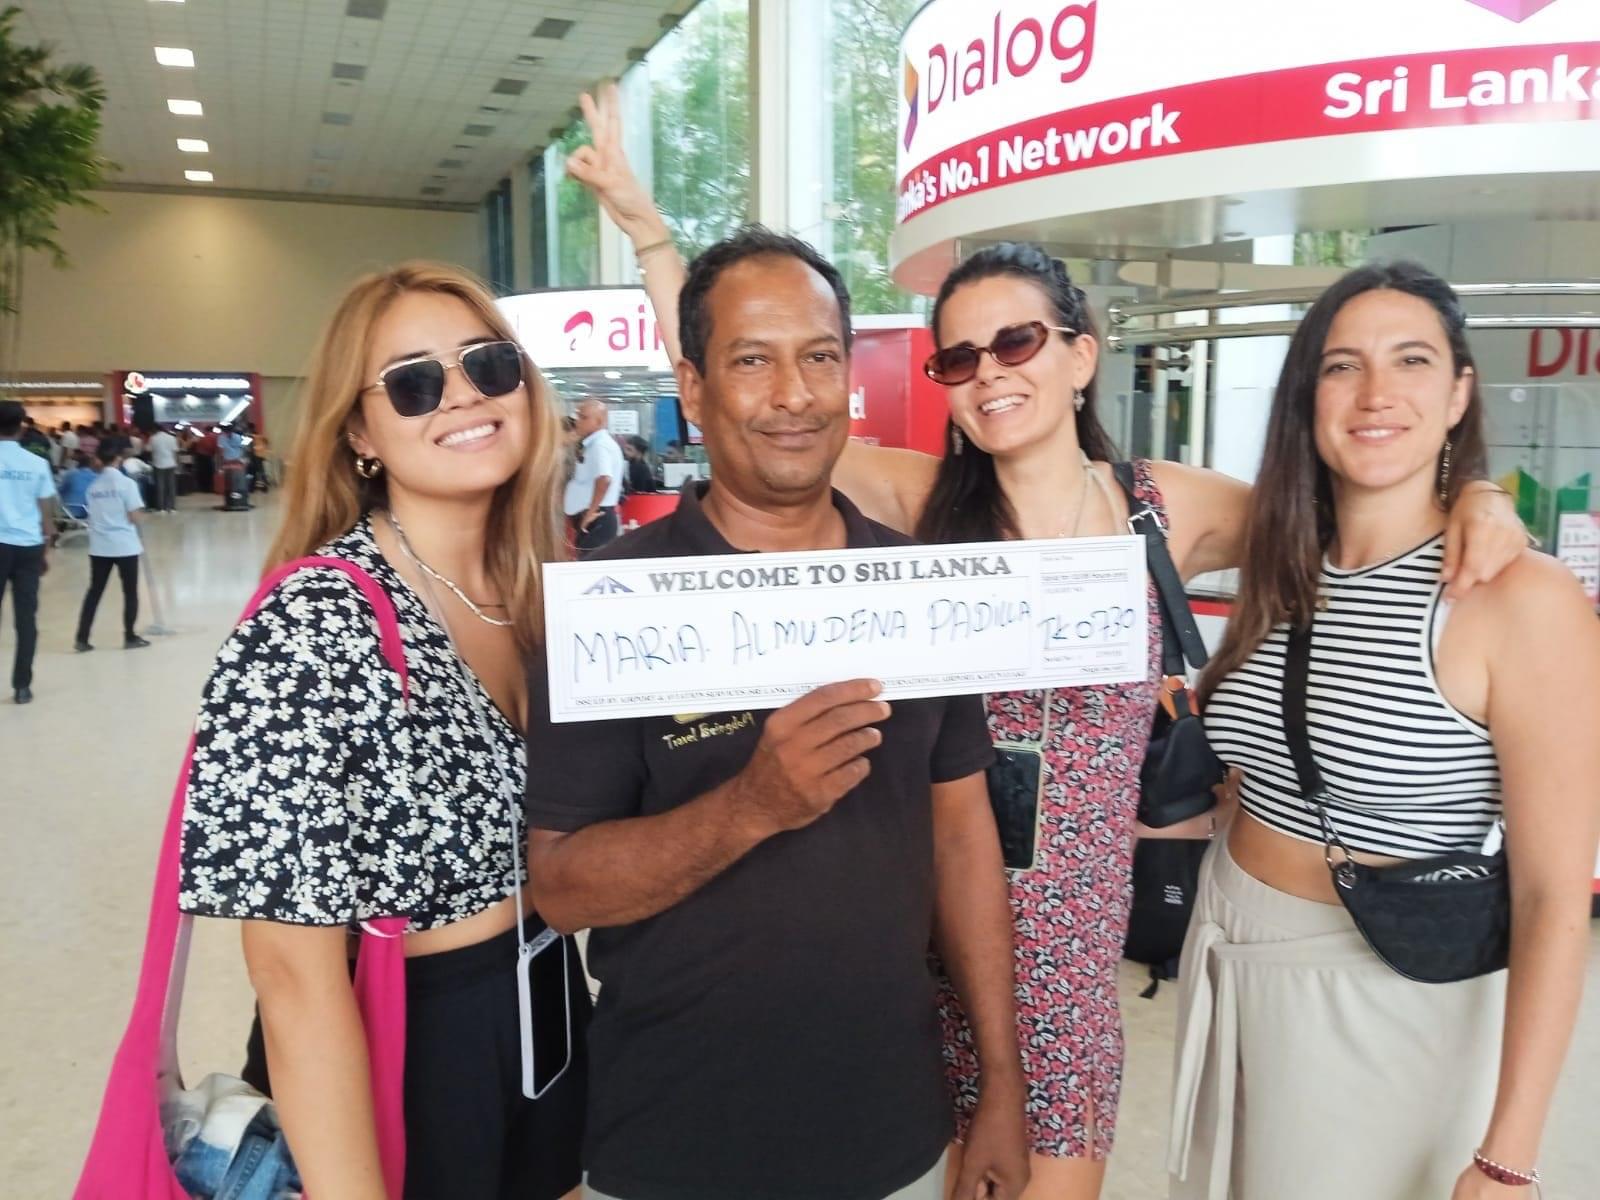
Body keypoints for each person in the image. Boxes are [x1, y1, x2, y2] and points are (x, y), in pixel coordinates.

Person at [564, 83, 1531, 1200]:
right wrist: (649, 236)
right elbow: (759, 395)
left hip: (1067, 965)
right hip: (912, 945)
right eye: (958, 359)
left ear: (1080, 352)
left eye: (1015, 340)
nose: (989, 373)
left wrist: (1478, 490)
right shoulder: (925, 504)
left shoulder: (1167, 508)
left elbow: (1358, 490)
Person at [524, 227, 1030, 1200]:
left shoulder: (918, 589)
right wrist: (750, 804)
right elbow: (561, 888)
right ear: (693, 387)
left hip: (894, 1135)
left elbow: (964, 841)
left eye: (818, 357)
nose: (792, 394)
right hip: (672, 1142)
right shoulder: (614, 603)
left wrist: (1000, 1082)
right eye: (752, 360)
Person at [1171, 262, 1600, 1200]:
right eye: (1341, 366)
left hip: (1381, 989)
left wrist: (1508, 1156)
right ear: (1306, 396)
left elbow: (1555, 898)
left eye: (1411, 361)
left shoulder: (1517, 600)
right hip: (1230, 942)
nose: (1375, 394)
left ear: (1459, 394)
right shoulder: (1281, 558)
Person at [177, 261, 587, 1200]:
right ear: (360, 431)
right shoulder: (316, 620)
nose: (462, 397)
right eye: (412, 382)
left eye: (487, 364)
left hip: (551, 1004)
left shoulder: (541, 591)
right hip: (408, 1038)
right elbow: (290, 972)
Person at [0, 400, 56, 703]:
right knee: (26, 618)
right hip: (28, 547)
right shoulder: (37, 464)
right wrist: (44, 552)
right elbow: (46, 516)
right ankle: (22, 686)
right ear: (21, 426)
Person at [74, 438, 151, 652]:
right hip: (125, 545)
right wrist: (140, 516)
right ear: (118, 458)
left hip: (99, 546)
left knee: (95, 591)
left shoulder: (94, 486)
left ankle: (82, 637)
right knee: (130, 592)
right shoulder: (127, 484)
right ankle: (130, 636)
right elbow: (135, 516)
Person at [562, 398, 623, 552]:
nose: (578, 421)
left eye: (584, 417)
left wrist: (591, 512)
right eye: (578, 416)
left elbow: (605, 478)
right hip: (593, 517)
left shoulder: (600, 445)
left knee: (590, 565)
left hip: (597, 518)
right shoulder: (591, 444)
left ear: (599, 421)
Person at [149, 424, 180, 513]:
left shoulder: (153, 438)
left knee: (160, 486)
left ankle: (161, 508)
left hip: (158, 464)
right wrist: (177, 463)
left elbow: (149, 450)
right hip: (170, 463)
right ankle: (172, 507)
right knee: (171, 486)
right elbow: (175, 452)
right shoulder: (171, 438)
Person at [58, 452, 96, 518]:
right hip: (86, 513)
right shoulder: (96, 477)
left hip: (67, 511)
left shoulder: (70, 474)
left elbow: (60, 491)